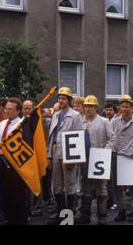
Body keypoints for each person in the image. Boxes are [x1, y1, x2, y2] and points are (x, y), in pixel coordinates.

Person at [74, 95, 115, 225]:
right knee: (85, 187)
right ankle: (85, 215)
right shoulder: (80, 121)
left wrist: (105, 151)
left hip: (99, 158)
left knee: (101, 187)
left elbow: (112, 138)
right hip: (84, 158)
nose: (88, 109)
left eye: (91, 107)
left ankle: (101, 216)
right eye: (86, 106)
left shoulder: (104, 121)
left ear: (96, 108)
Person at [46, 87, 84, 225]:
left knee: (70, 185)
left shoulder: (75, 115)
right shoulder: (55, 115)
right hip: (55, 149)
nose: (61, 101)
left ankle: (70, 215)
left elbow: (78, 137)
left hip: (68, 152)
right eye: (59, 98)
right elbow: (51, 136)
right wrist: (48, 155)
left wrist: (72, 158)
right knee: (56, 185)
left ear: (69, 100)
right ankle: (60, 213)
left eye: (63, 98)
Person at [112, 95, 133, 223]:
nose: (124, 109)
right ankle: (121, 211)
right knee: (117, 186)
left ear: (132, 108)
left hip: (131, 158)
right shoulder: (115, 121)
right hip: (117, 156)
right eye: (122, 106)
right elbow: (110, 137)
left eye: (127, 106)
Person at [0, 98, 27, 224]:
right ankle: (8, 219)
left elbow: (22, 146)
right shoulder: (2, 124)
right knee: (5, 195)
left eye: (10, 109)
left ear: (18, 111)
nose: (6, 111)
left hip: (16, 166)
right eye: (6, 108)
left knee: (17, 197)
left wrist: (4, 152)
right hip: (1, 165)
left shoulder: (22, 125)